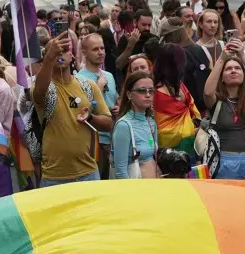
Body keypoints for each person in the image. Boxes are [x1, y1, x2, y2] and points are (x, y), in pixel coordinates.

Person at [33, 33, 111, 186]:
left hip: (88, 173)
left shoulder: (88, 85)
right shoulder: (43, 87)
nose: (60, 55)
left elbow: (108, 123)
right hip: (54, 177)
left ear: (72, 56)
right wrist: (49, 57)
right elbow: (39, 92)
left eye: (65, 50)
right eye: (56, 52)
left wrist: (90, 118)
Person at [205, 43, 245, 179]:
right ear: (222, 77)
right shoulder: (216, 100)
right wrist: (221, 59)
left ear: (244, 75)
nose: (233, 71)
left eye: (238, 68)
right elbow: (208, 92)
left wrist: (243, 56)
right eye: (228, 69)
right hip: (224, 161)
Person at [74, 32, 117, 173]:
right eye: (95, 49)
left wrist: (117, 107)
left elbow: (114, 99)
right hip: (93, 141)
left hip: (113, 139)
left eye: (102, 48)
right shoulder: (79, 80)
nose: (100, 52)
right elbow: (80, 112)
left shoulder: (109, 76)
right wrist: (97, 88)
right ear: (84, 52)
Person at [109, 73, 159, 179]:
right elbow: (120, 172)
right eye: (142, 90)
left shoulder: (151, 122)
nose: (148, 95)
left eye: (151, 91)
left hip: (154, 187)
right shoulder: (123, 125)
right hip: (135, 190)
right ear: (129, 94)